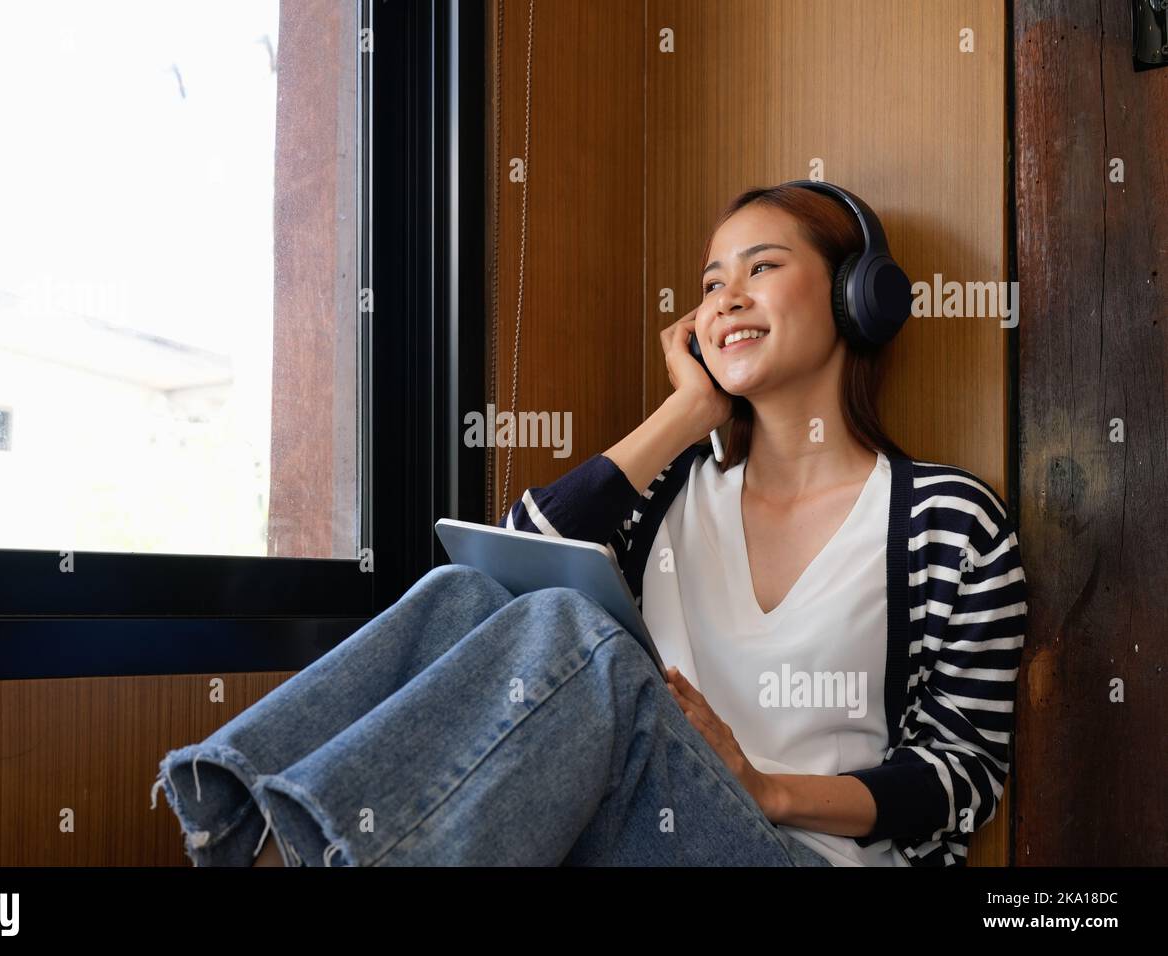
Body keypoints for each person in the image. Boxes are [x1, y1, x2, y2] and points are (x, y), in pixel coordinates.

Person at [153, 182, 1027, 867]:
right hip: (636, 831)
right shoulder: (673, 490)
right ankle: (242, 821)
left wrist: (766, 790)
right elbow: (505, 578)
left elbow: (959, 775)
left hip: (799, 852)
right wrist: (686, 415)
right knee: (467, 590)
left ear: (855, 297)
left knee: (579, 638)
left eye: (761, 269)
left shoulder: (945, 520)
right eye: (710, 284)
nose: (725, 300)